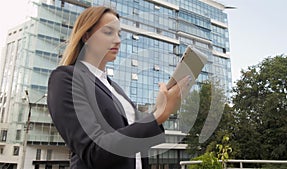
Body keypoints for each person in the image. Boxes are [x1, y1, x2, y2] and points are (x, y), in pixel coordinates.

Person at [47, 6, 191, 169]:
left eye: (119, 34)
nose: (117, 40)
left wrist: (159, 107)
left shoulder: (115, 89)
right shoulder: (65, 78)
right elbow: (95, 152)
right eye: (108, 32)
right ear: (86, 36)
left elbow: (134, 141)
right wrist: (159, 115)